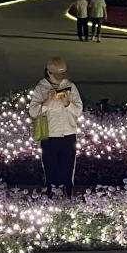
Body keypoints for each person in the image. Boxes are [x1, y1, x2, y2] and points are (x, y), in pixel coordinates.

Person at [29, 58, 83, 199]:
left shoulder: (71, 86)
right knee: (50, 170)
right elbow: (33, 112)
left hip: (68, 134)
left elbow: (78, 111)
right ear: (48, 72)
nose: (60, 79)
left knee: (68, 170)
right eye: (56, 75)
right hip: (50, 135)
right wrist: (47, 102)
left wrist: (67, 103)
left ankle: (68, 197)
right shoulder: (41, 88)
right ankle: (49, 199)